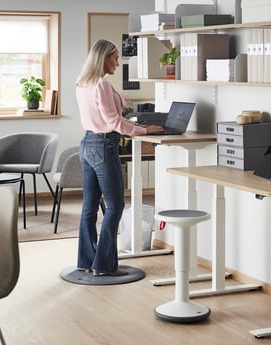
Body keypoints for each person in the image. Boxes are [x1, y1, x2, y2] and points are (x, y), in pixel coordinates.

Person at [75, 39, 163, 276]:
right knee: (115, 205)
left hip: (87, 143)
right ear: (103, 59)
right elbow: (113, 122)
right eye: (114, 58)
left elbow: (107, 117)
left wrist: (127, 120)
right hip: (104, 145)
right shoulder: (101, 85)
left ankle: (86, 260)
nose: (117, 63)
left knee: (90, 206)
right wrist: (144, 130)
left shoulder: (82, 83)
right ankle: (103, 265)